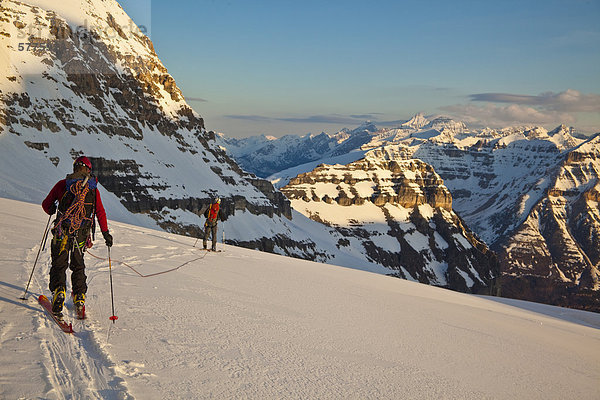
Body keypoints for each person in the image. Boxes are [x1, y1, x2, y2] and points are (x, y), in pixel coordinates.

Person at [42, 156, 113, 316]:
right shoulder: (93, 189)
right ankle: (79, 297)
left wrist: (52, 209)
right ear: (88, 170)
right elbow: (100, 212)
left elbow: (46, 205)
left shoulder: (63, 185)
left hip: (62, 231)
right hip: (81, 234)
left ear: (75, 168)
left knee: (59, 263)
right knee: (78, 264)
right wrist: (105, 233)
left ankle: (59, 291)